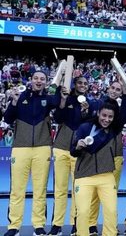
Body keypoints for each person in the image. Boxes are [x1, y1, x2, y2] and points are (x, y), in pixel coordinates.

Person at [3, 71, 60, 236]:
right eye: (36, 78)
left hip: (42, 148)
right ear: (31, 80)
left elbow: (58, 100)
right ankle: (14, 226)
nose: (39, 81)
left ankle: (39, 225)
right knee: (17, 189)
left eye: (42, 79)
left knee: (40, 189)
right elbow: (7, 119)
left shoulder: (48, 100)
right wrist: (13, 102)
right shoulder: (21, 97)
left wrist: (58, 84)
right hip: (20, 147)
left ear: (46, 82)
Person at [70, 100, 126, 236]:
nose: (106, 119)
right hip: (84, 176)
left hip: (106, 176)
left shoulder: (113, 130)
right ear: (98, 114)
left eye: (110, 117)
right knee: (83, 212)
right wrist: (78, 147)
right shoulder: (84, 127)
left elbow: (125, 113)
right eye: (104, 115)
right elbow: (73, 151)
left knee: (111, 211)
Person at [49, 77, 95, 236]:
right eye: (80, 83)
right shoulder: (65, 98)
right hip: (61, 148)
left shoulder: (89, 103)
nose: (83, 85)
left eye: (85, 83)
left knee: (78, 190)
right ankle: (57, 224)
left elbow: (90, 125)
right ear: (74, 85)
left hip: (79, 151)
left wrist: (86, 112)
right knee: (60, 189)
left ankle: (77, 222)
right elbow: (57, 118)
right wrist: (62, 101)